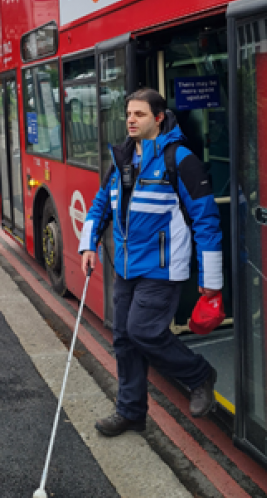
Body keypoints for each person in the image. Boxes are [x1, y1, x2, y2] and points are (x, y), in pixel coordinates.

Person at [78, 87, 223, 437]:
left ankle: (198, 374)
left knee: (144, 331)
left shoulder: (180, 159)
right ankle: (130, 412)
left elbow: (206, 219)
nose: (130, 119)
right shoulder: (123, 160)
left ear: (158, 118)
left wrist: (211, 278)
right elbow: (100, 205)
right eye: (128, 113)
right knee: (125, 340)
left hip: (163, 267)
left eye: (139, 114)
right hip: (127, 267)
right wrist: (89, 245)